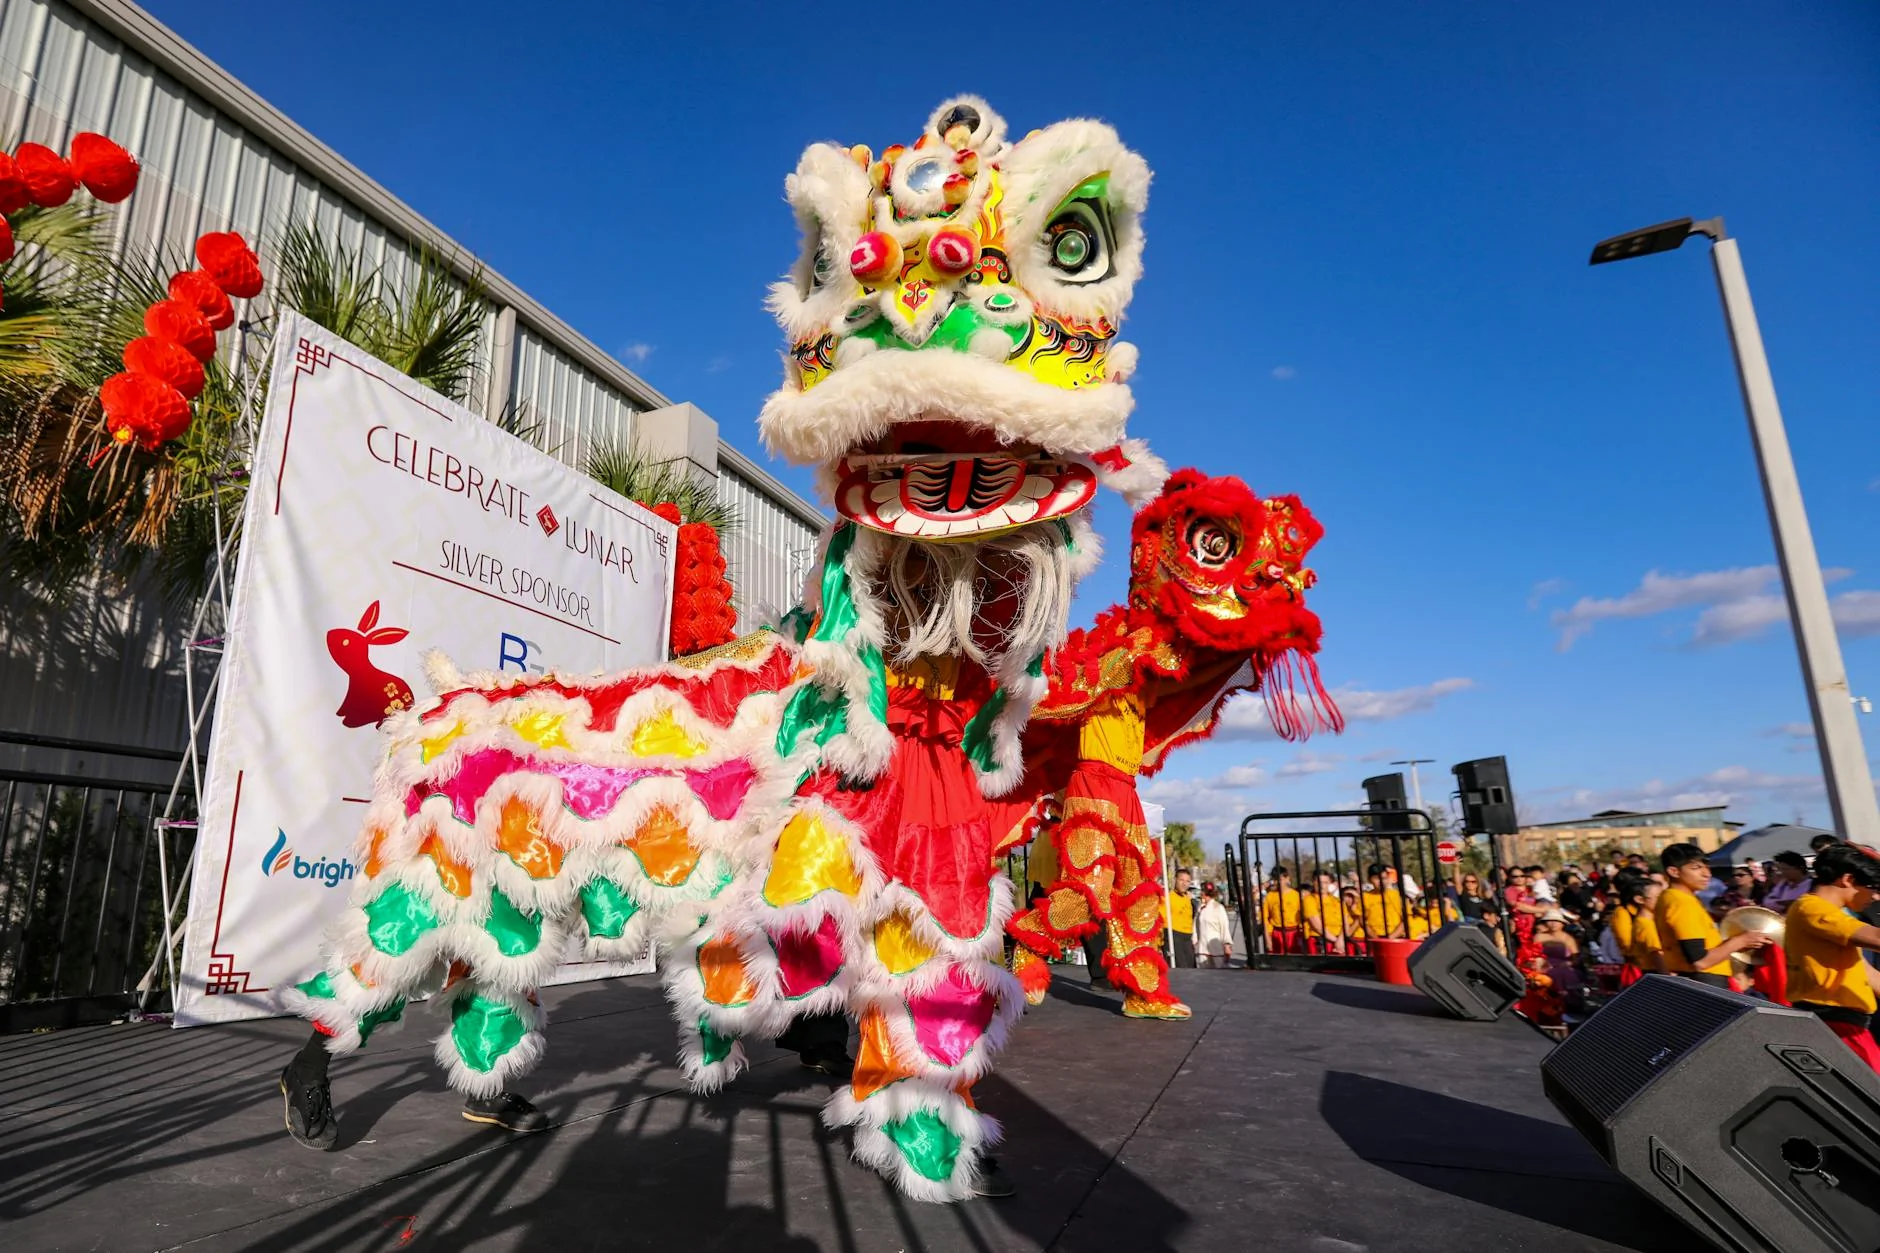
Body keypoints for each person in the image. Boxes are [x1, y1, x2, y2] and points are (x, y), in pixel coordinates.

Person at [1784, 844, 1880, 1069]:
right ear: (1847, 879)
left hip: (1846, 1024)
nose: (1875, 896)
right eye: (1872, 886)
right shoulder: (1812, 908)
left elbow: (1865, 973)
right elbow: (1877, 938)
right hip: (1836, 1023)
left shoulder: (1832, 916)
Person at [1655, 842, 1770, 988]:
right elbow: (1700, 961)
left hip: (1692, 978)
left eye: (1706, 867)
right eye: (1696, 868)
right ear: (1674, 871)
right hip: (1705, 981)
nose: (1706, 874)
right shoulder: (1682, 902)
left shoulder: (1670, 897)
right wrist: (1741, 940)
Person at [1609, 876, 1664, 986]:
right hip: (1651, 970)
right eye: (1658, 897)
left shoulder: (1644, 919)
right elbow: (1656, 953)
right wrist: (1667, 975)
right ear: (1639, 899)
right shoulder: (1643, 923)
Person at [1262, 866, 1306, 954]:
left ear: (1287, 878)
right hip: (1276, 933)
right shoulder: (1270, 896)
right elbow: (1265, 919)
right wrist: (1267, 938)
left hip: (1294, 933)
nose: (1277, 882)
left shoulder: (1296, 895)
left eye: (1280, 879)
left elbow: (1303, 917)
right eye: (1275, 880)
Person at [1302, 872, 1347, 954]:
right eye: (1319, 882)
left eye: (1325, 882)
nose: (1322, 885)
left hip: (1340, 940)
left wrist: (1341, 939)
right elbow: (1318, 926)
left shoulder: (1337, 900)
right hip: (1320, 940)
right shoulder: (1309, 900)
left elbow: (1345, 923)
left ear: (1330, 883)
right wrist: (1336, 941)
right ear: (1313, 882)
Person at [1362, 864, 1409, 939]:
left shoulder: (1397, 895)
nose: (1381, 881)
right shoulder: (1364, 897)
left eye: (1384, 878)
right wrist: (1375, 938)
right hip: (1374, 938)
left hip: (1396, 937)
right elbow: (1361, 920)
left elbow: (1406, 919)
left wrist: (1391, 937)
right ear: (1369, 879)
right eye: (1377, 878)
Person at [1196, 883, 1234, 968]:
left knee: (1218, 974)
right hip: (1203, 948)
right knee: (1204, 975)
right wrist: (1194, 939)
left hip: (1216, 948)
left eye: (1204, 891)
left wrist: (1227, 944)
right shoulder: (1200, 908)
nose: (1202, 893)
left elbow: (1224, 927)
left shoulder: (1218, 907)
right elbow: (1197, 925)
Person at [1166, 868, 1198, 969]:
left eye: (1187, 881)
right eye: (1181, 880)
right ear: (1175, 880)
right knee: (1180, 969)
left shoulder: (1189, 899)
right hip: (1173, 936)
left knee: (1191, 969)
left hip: (1187, 939)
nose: (1184, 884)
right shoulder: (1167, 898)